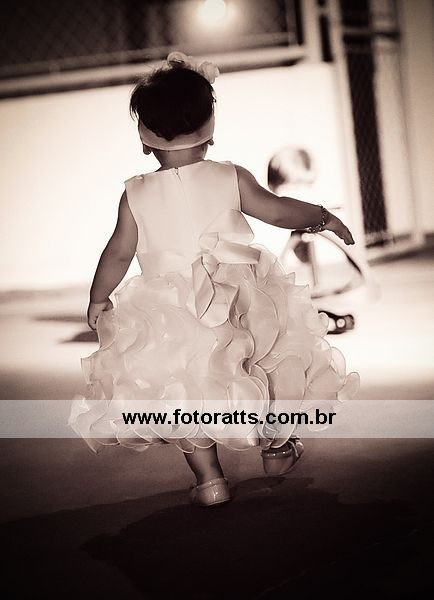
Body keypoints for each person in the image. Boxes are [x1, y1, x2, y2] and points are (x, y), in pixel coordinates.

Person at [69, 52, 360, 507]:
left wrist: (98, 297)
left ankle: (210, 481)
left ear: (145, 140)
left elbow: (119, 251)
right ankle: (277, 447)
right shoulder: (230, 176)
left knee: (185, 389)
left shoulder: (135, 193)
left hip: (168, 310)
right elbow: (278, 211)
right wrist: (324, 217)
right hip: (239, 297)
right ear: (211, 129)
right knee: (265, 364)